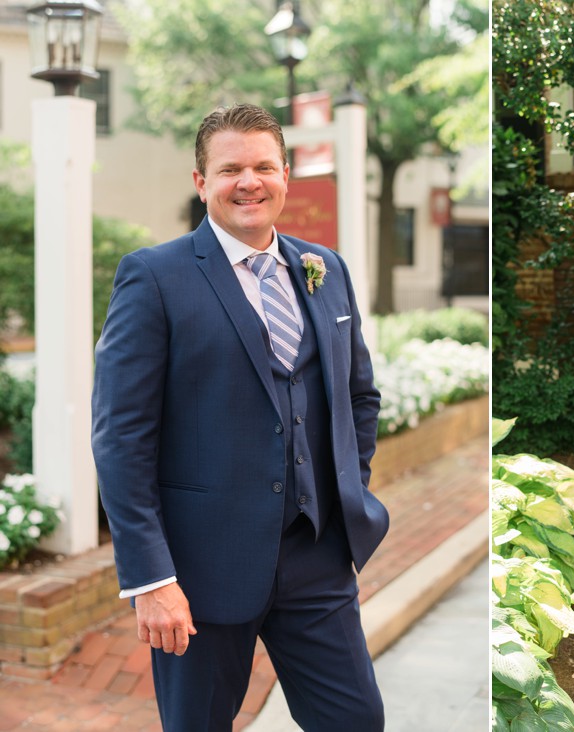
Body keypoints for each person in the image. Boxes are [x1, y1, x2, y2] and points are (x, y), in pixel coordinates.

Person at [91, 103, 388, 731]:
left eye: (262, 166)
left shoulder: (324, 269)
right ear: (201, 183)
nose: (248, 182)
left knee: (356, 720)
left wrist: (346, 486)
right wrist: (151, 578)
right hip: (201, 570)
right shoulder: (155, 277)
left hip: (317, 555)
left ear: (285, 174)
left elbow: (360, 394)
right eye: (229, 170)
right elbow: (121, 438)